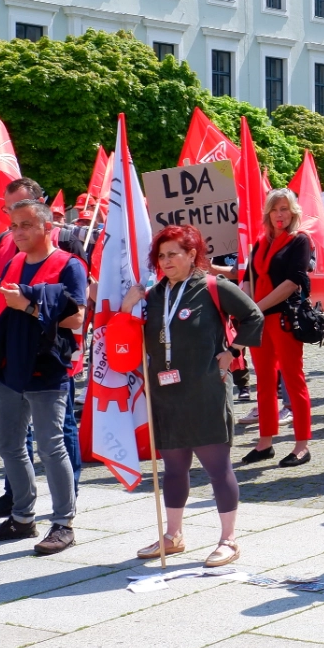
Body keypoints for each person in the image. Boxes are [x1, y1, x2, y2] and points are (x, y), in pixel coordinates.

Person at [121, 224, 262, 565]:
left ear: (191, 255)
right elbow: (126, 340)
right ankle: (173, 535)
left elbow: (253, 316)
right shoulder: (153, 295)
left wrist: (233, 351)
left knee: (216, 467)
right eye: (161, 255)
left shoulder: (213, 286)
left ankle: (229, 539)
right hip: (166, 394)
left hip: (206, 390)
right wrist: (127, 308)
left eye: (174, 254)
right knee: (173, 469)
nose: (166, 261)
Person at [0, 199, 88, 555]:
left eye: (26, 225)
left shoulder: (69, 266)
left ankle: (64, 523)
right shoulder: (13, 262)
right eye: (14, 226)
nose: (18, 232)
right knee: (9, 444)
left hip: (47, 367)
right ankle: (22, 517)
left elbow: (77, 319)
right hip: (11, 366)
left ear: (47, 226)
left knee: (51, 445)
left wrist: (29, 305)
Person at [245, 189, 315, 467]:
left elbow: (293, 282)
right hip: (258, 319)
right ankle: (265, 443)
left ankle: (302, 445)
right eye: (275, 209)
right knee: (263, 382)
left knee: (292, 379)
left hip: (283, 317)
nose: (280, 214)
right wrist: (248, 306)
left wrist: (256, 307)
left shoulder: (300, 241)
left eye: (285, 209)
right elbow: (248, 276)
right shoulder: (260, 242)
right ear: (268, 213)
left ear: (294, 212)